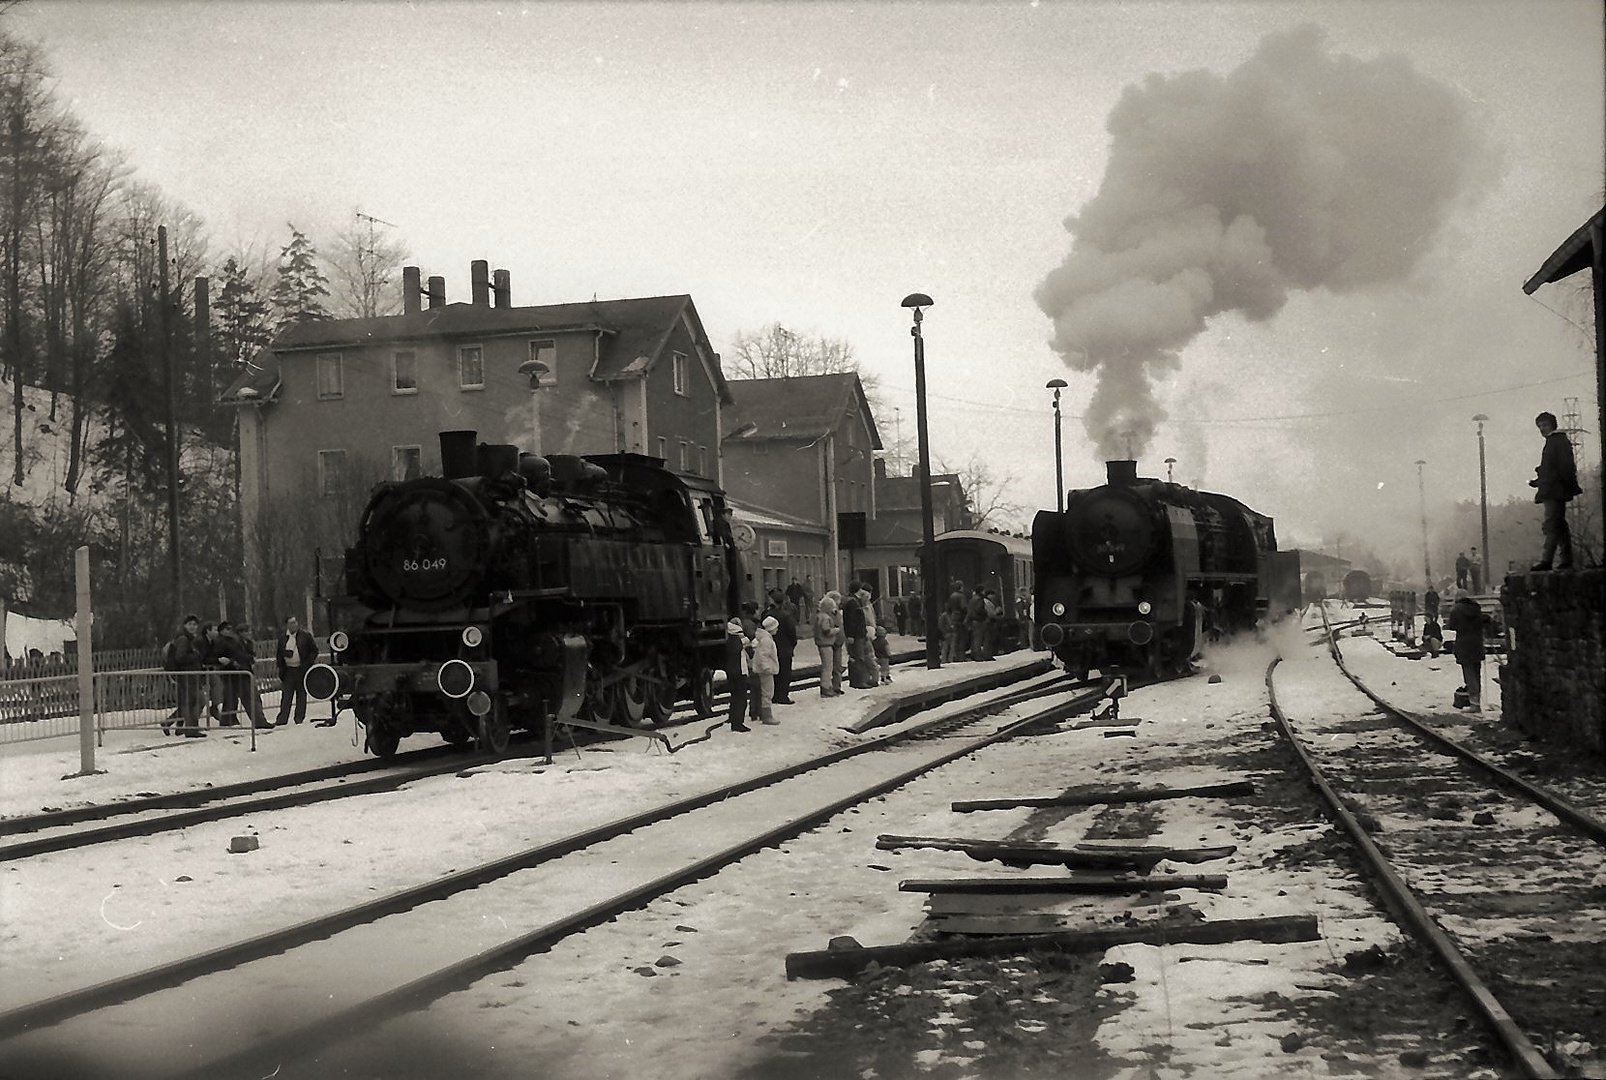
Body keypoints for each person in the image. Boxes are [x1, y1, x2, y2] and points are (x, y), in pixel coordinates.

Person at [1529, 410, 1582, 571]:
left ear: (1552, 425)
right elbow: (1552, 470)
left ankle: (1546, 560)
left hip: (1554, 491)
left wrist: (1566, 486)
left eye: (1545, 425)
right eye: (1540, 426)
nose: (1542, 429)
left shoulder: (1557, 441)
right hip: (1553, 489)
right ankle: (1566, 559)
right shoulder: (1554, 442)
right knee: (1559, 525)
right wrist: (1538, 482)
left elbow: (1564, 467)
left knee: (1551, 524)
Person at [164, 614, 206, 737]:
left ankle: (175, 724)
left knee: (189, 702)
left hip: (190, 675)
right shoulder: (184, 639)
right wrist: (195, 656)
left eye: (195, 624)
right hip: (187, 675)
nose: (193, 627)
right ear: (185, 626)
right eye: (190, 624)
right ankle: (190, 728)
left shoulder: (189, 639)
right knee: (198, 701)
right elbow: (180, 657)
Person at [275, 615, 318, 726]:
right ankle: (282, 718)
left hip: (302, 669)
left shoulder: (305, 636)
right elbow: (279, 653)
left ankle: (299, 717)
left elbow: (314, 651)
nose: (294, 625)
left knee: (301, 695)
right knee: (286, 695)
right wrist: (281, 666)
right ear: (287, 625)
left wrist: (308, 663)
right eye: (291, 623)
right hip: (288, 670)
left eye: (295, 622)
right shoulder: (283, 638)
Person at [1445, 595, 1485, 713]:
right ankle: (1477, 701)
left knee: (1469, 674)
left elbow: (1452, 626)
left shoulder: (1456, 610)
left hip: (1464, 644)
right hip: (1477, 643)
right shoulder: (1476, 609)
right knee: (1477, 673)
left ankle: (1474, 703)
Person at [763, 588, 798, 705]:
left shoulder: (766, 615)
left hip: (771, 647)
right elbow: (792, 632)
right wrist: (792, 644)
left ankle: (774, 695)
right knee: (785, 673)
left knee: (774, 674)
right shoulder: (786, 615)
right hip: (785, 648)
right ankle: (783, 695)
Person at [723, 619, 751, 732]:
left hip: (731, 671)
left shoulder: (729, 639)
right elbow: (749, 647)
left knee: (734, 696)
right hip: (739, 672)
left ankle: (733, 718)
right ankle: (738, 723)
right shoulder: (739, 640)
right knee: (741, 698)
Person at [752, 617, 781, 724]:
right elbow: (763, 655)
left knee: (766, 691)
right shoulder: (767, 640)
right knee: (768, 692)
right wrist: (766, 667)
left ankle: (763, 713)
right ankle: (767, 715)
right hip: (766, 670)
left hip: (764, 669)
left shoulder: (764, 638)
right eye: (776, 627)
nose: (777, 629)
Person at [813, 595, 843, 697]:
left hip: (821, 643)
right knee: (828, 667)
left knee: (826, 666)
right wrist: (836, 630)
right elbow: (826, 631)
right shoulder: (825, 617)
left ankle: (827, 687)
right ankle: (825, 688)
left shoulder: (818, 616)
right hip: (826, 643)